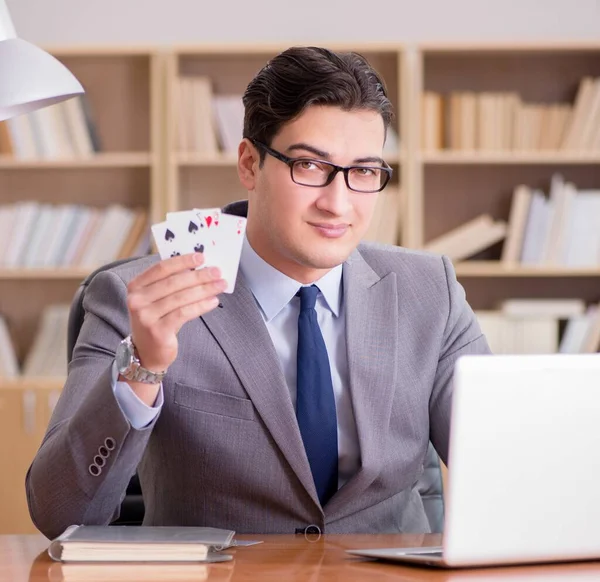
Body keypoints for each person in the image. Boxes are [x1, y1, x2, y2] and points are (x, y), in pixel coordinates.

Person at [26, 46, 490, 540]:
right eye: (310, 166)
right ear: (250, 164)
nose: (338, 203)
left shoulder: (429, 291)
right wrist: (144, 364)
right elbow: (59, 513)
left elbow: (501, 460)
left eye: (364, 172)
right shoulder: (136, 296)